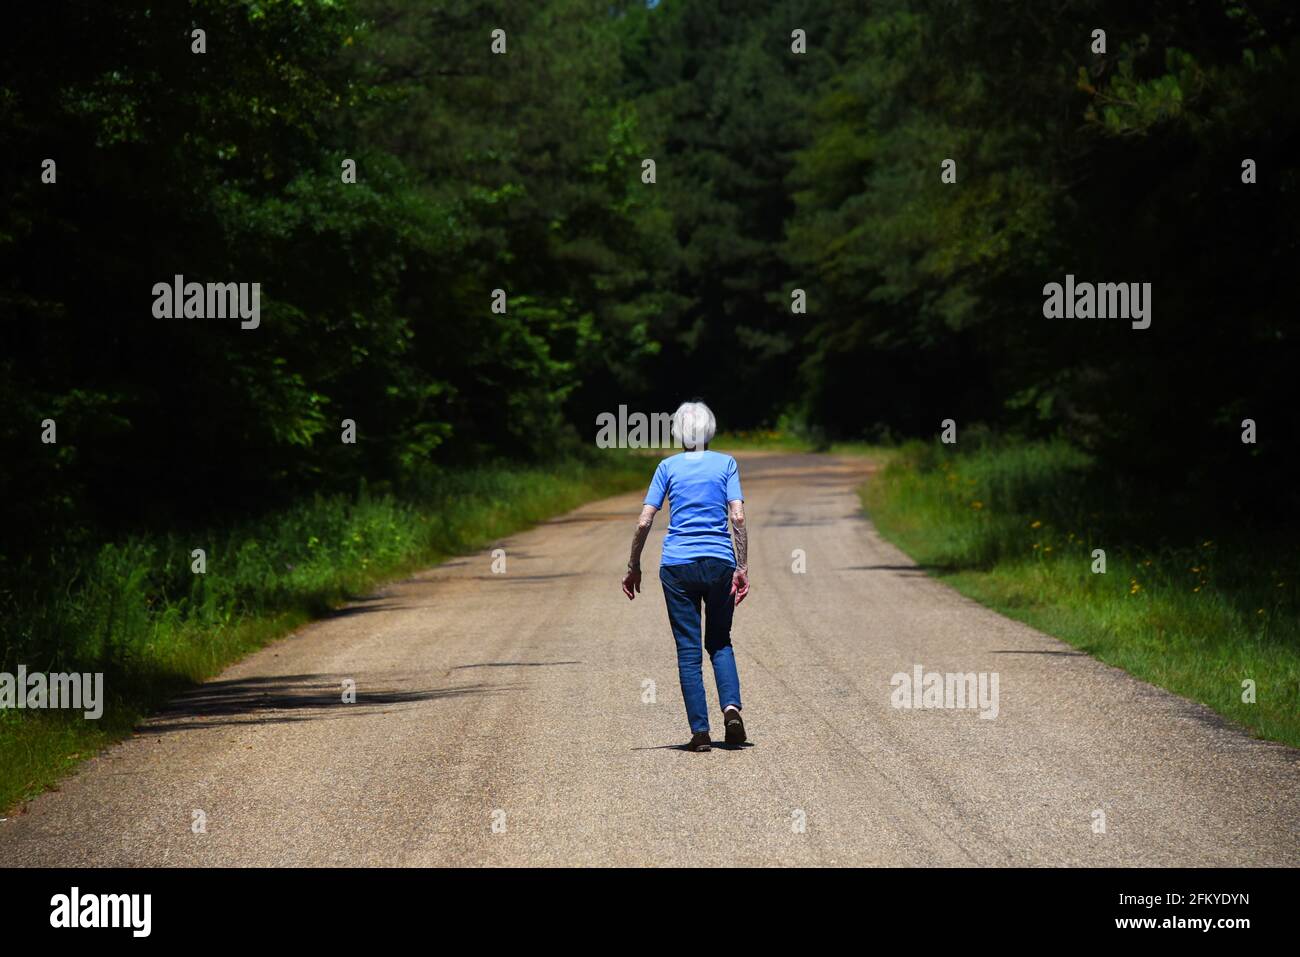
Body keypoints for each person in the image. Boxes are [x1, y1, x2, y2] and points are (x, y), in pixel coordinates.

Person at [620, 400, 750, 751]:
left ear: (678, 432)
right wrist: (742, 566)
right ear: (710, 430)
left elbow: (645, 520)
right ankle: (732, 709)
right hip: (720, 563)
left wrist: (634, 566)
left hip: (677, 567)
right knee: (720, 641)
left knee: (688, 649)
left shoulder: (667, 466)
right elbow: (736, 517)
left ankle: (701, 732)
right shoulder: (726, 463)